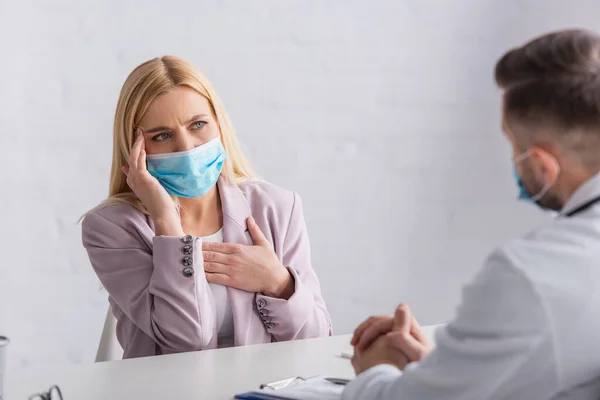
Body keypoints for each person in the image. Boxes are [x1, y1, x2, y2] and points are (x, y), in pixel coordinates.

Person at [344, 29, 600, 399]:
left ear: (543, 165)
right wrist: (448, 367)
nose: (512, 159)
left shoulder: (533, 275)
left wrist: (377, 369)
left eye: (513, 144)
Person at [81, 56, 332, 359]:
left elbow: (317, 338)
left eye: (198, 124)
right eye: (162, 136)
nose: (187, 147)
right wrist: (165, 221)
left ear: (219, 124)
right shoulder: (110, 228)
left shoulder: (277, 207)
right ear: (136, 148)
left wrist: (277, 282)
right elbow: (187, 339)